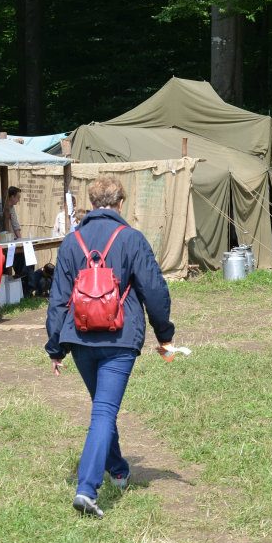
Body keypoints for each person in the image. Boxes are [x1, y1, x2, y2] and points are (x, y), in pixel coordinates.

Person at [45, 175, 175, 519]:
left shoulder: (71, 241)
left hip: (80, 339)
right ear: (120, 204)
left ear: (91, 204)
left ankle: (117, 468)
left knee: (103, 407)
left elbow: (58, 299)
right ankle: (87, 489)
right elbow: (155, 291)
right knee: (103, 411)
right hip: (120, 340)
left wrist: (55, 346)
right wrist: (164, 334)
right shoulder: (131, 238)